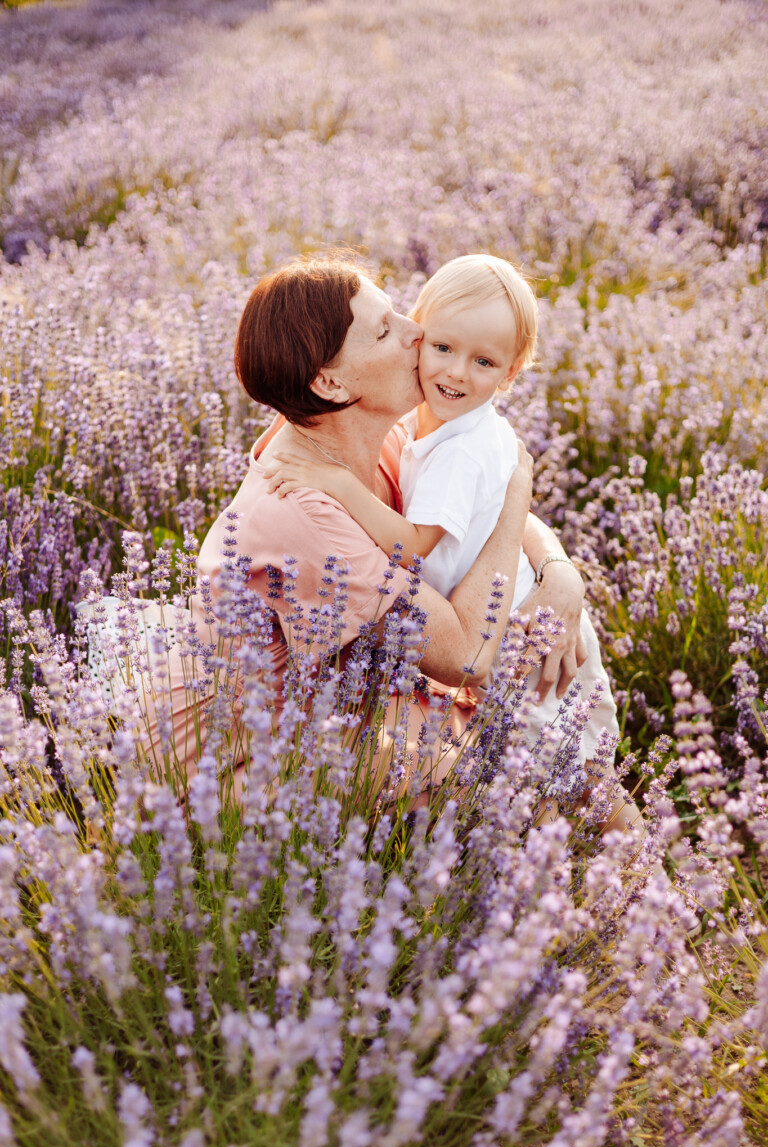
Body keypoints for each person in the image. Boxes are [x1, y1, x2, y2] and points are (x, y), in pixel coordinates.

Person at [94, 256, 589, 809]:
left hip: (338, 707)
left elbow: (470, 515)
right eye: (384, 329)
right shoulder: (304, 509)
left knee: (555, 771)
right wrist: (519, 489)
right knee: (535, 789)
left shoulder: (366, 430)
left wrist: (562, 574)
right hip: (239, 772)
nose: (417, 332)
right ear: (329, 381)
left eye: (398, 312)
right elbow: (467, 656)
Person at [262, 254, 643, 831]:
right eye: (439, 346)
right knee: (559, 787)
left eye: (483, 361)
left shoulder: (455, 444)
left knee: (573, 782)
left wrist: (562, 571)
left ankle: (650, 905)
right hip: (491, 632)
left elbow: (417, 546)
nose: (457, 372)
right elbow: (495, 509)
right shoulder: (420, 423)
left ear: (510, 374)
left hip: (523, 630)